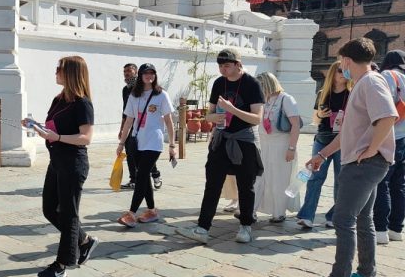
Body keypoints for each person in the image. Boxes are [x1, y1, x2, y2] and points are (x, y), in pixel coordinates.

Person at [302, 37, 397, 277]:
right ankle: (366, 275)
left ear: (345, 60)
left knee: (343, 219)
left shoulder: (370, 82)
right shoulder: (363, 83)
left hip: (364, 163)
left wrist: (372, 149)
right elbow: (346, 133)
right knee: (363, 219)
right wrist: (322, 154)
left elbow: (388, 117)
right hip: (365, 162)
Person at [22, 56, 99, 277]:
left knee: (68, 213)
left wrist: (57, 137)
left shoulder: (82, 103)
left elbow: (86, 138)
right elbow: (53, 128)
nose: (55, 72)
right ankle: (84, 241)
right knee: (49, 209)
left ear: (72, 73)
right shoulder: (59, 99)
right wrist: (36, 126)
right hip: (56, 161)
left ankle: (62, 264)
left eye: (59, 69)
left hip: (73, 163)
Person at [176, 48, 264, 244]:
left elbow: (257, 118)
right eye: (220, 66)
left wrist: (233, 109)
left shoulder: (252, 84)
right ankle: (202, 228)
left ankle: (245, 227)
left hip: (244, 140)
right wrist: (212, 117)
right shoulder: (218, 83)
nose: (223, 69)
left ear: (238, 64)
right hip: (222, 138)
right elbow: (209, 113)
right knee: (212, 184)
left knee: (246, 185)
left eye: (227, 65)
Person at [116, 63, 176, 227]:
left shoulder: (161, 95)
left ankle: (131, 213)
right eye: (146, 73)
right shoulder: (133, 95)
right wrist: (121, 143)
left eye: (152, 73)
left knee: (141, 175)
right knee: (144, 175)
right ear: (140, 75)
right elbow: (129, 120)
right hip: (137, 140)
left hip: (154, 141)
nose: (149, 76)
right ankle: (151, 211)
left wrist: (172, 145)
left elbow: (169, 121)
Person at [296, 61, 350, 229]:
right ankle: (307, 216)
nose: (344, 73)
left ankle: (334, 216)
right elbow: (315, 120)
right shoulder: (323, 93)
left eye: (346, 71)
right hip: (322, 139)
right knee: (315, 177)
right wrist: (320, 114)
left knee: (341, 180)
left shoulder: (352, 94)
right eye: (340, 70)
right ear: (333, 73)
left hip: (342, 141)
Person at [254, 72, 301, 223]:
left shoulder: (286, 99)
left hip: (281, 145)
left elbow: (295, 125)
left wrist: (291, 149)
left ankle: (279, 212)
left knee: (279, 180)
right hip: (264, 144)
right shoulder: (264, 100)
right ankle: (250, 210)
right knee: (259, 178)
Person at [373, 50, 405, 244]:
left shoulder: (388, 76)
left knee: (381, 182)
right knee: (399, 184)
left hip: (391, 136)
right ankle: (396, 228)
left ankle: (380, 229)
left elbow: (385, 107)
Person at [121, 63, 163, 190]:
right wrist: (122, 129)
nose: (127, 73)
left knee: (145, 152)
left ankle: (155, 174)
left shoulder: (141, 87)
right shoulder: (126, 90)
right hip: (131, 125)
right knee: (130, 151)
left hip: (144, 126)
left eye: (129, 71)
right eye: (125, 71)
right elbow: (125, 111)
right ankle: (134, 179)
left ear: (136, 72)